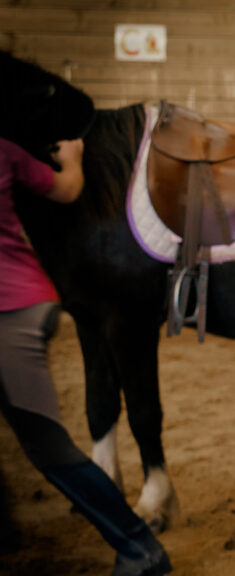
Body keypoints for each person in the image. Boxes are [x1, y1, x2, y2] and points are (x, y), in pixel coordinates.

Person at [0, 136, 172, 575]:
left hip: (12, 309)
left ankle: (137, 546)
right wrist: (71, 159)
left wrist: (75, 157)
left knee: (47, 445)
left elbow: (68, 189)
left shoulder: (5, 149)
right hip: (21, 303)